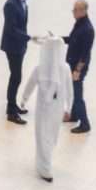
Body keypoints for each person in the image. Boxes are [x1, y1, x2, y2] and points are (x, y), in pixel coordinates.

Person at [28, 32, 68, 181]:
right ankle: (44, 166)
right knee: (45, 136)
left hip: (48, 111)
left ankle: (44, 164)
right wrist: (68, 106)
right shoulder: (63, 69)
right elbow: (31, 84)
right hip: (51, 110)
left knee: (46, 137)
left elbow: (30, 85)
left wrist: (25, 98)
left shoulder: (58, 69)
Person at [0, 0, 35, 122]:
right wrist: (29, 37)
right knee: (16, 77)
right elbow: (11, 29)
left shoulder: (22, 0)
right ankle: (11, 112)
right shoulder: (11, 4)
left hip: (19, 45)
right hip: (12, 46)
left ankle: (13, 106)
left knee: (16, 77)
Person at [64, 0, 94, 132]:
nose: (73, 12)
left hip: (78, 67)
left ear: (83, 11)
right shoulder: (79, 24)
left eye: (75, 10)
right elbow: (72, 40)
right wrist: (59, 39)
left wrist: (77, 70)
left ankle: (85, 124)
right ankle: (75, 115)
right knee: (73, 91)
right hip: (72, 64)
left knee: (77, 95)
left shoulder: (87, 29)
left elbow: (84, 53)